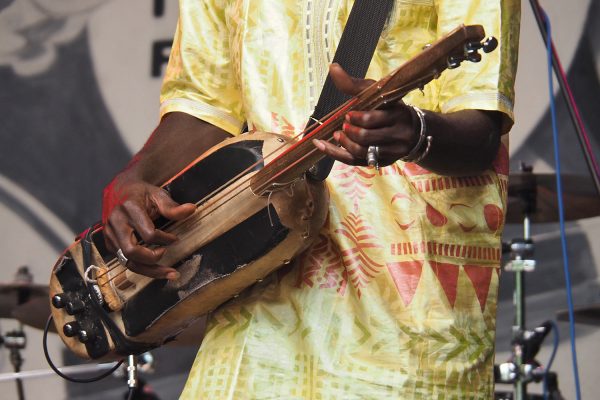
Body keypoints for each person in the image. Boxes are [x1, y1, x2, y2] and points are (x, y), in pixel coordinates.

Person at [102, 0, 520, 398]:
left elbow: (480, 125)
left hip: (403, 326)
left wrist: (414, 132)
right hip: (258, 298)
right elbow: (205, 102)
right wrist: (134, 179)